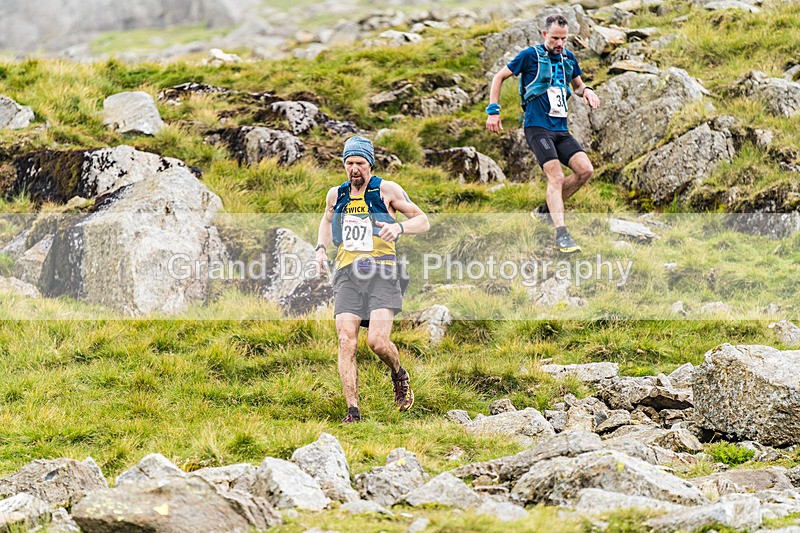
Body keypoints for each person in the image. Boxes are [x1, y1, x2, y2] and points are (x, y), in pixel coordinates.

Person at [316, 135, 430, 423]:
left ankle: (398, 374)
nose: (354, 169)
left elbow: (423, 220)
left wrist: (400, 229)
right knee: (346, 340)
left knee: (378, 342)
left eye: (360, 163)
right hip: (346, 275)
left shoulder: (386, 190)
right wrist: (320, 250)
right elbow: (327, 220)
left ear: (370, 164)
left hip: (382, 272)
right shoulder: (336, 194)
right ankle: (352, 411)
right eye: (349, 163)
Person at [485, 14, 600, 253]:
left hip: (561, 129)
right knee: (556, 177)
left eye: (564, 39)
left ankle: (545, 212)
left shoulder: (569, 58)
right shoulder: (529, 56)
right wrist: (493, 111)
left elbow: (577, 86)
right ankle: (561, 234)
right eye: (555, 38)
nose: (560, 43)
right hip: (537, 127)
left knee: (585, 170)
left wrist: (587, 91)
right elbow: (499, 77)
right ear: (545, 34)